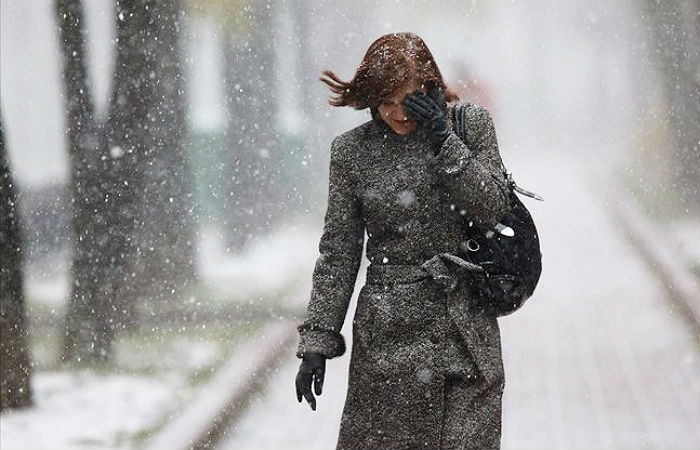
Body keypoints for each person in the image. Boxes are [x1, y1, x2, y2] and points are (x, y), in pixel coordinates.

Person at [294, 32, 510, 450]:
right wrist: (317, 341)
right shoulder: (352, 153)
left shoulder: (469, 126)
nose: (396, 114)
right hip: (389, 340)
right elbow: (338, 253)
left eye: (406, 100)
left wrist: (443, 142)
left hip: (464, 330)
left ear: (428, 88)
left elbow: (492, 206)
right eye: (385, 101)